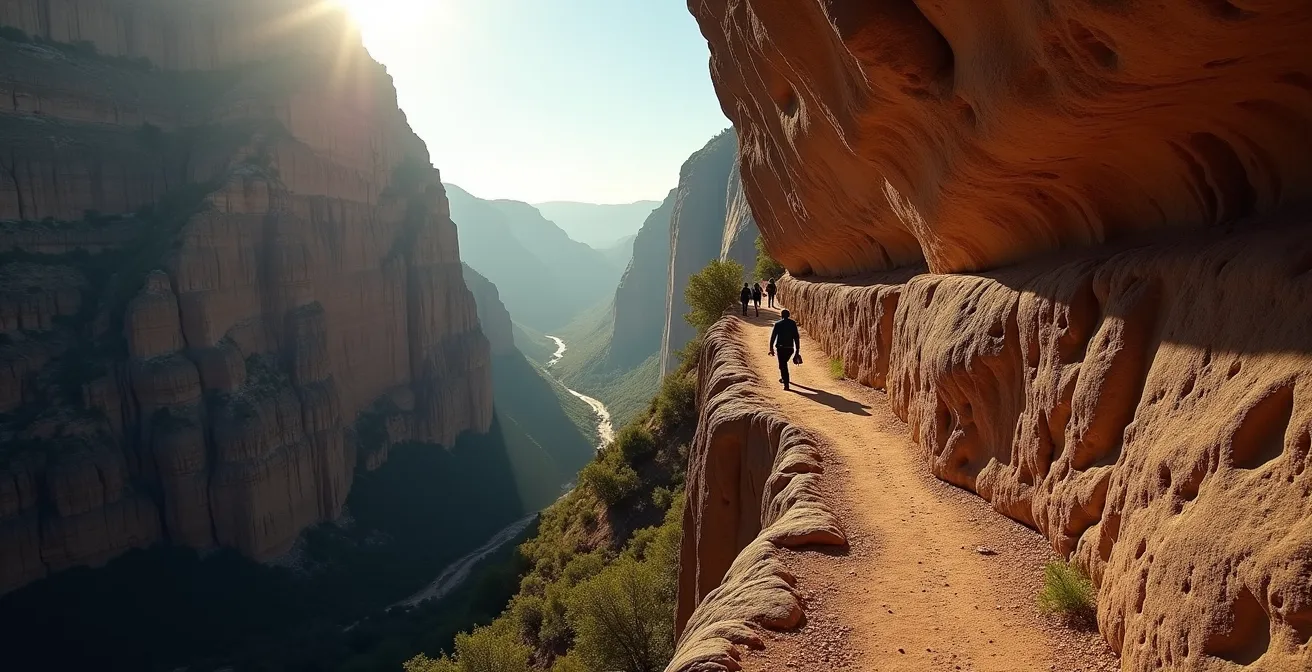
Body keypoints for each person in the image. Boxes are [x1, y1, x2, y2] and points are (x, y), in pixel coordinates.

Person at [768, 309, 801, 390]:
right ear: (789, 315)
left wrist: (771, 348)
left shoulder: (778, 324)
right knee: (783, 364)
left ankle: (786, 383)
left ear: (781, 315)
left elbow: (773, 337)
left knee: (783, 365)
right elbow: (796, 337)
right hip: (790, 348)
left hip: (780, 348)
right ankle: (784, 378)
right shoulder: (793, 323)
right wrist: (797, 351)